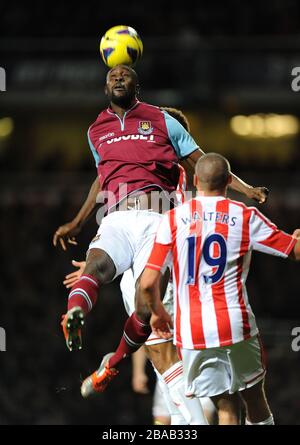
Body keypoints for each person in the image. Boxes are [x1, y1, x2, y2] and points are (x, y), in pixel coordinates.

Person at [53, 64, 268, 424]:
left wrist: (246, 192)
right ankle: (109, 355)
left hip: (162, 241)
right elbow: (103, 176)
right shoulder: (103, 133)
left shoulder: (176, 164)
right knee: (168, 358)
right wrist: (78, 224)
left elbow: (207, 174)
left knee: (166, 356)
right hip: (141, 241)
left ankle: (115, 363)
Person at [139, 152, 300, 425]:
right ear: (228, 181)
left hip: (191, 331)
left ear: (195, 181)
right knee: (254, 400)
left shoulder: (172, 219)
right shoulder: (245, 216)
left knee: (224, 404)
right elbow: (294, 251)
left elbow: (147, 283)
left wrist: (157, 312)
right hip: (235, 324)